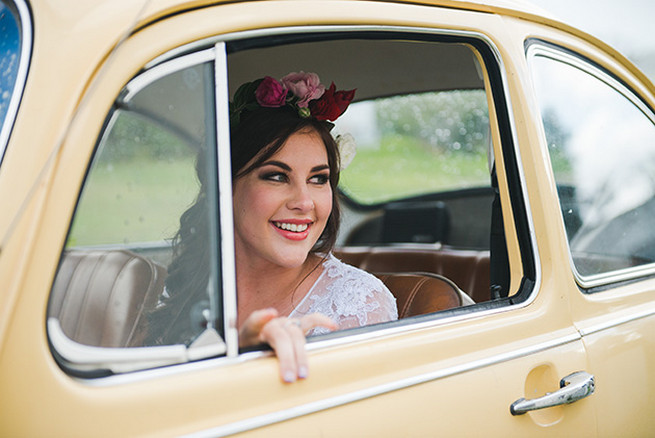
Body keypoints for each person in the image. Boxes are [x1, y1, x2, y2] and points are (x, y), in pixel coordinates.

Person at [147, 72, 398, 382]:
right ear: (225, 186)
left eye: (318, 179)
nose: (305, 202)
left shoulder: (359, 305)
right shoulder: (188, 282)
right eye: (277, 176)